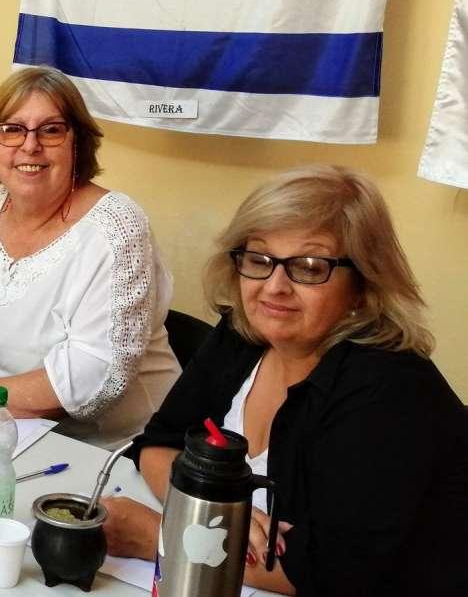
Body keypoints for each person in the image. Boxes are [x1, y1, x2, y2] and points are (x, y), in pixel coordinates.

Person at [103, 166, 468, 595]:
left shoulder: (390, 389)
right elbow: (159, 443)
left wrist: (164, 536)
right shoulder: (243, 333)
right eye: (259, 260)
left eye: (309, 268)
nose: (274, 287)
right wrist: (213, 514)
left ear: (363, 285)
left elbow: (334, 570)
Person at [0, 66, 179, 448]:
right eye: (12, 129)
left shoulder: (117, 229)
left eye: (51, 130)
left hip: (100, 450)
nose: (30, 145)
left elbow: (92, 385)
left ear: (78, 143)